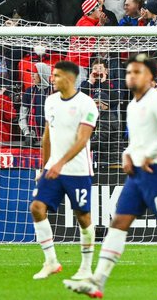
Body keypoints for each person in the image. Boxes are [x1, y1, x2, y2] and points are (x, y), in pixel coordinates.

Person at [65, 54, 157, 300]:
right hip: (137, 173)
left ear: (150, 77)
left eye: (137, 72)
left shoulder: (156, 99)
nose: (131, 76)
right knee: (118, 223)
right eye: (129, 72)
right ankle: (97, 281)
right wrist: (128, 153)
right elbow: (139, 139)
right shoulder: (132, 104)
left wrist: (150, 154)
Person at [31, 60, 100, 281]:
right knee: (37, 208)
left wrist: (60, 163)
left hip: (78, 170)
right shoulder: (50, 101)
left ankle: (86, 267)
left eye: (57, 75)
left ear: (70, 79)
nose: (53, 79)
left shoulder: (87, 104)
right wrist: (45, 167)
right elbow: (47, 136)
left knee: (83, 216)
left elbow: (82, 139)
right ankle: (51, 261)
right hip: (53, 169)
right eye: (53, 75)